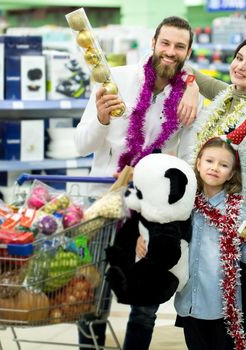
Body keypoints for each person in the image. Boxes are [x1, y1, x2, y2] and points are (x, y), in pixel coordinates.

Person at [74, 16, 201, 350]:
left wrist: (194, 86)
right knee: (92, 296)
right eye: (166, 43)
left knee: (145, 306)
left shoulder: (188, 100)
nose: (170, 52)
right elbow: (81, 144)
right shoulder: (116, 79)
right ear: (153, 43)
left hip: (151, 213)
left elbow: (187, 164)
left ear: (188, 52)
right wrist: (101, 118)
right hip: (102, 203)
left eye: (179, 46)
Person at [177, 35, 246, 345]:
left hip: (238, 226)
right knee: (200, 315)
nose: (241, 67)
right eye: (239, 58)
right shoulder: (225, 96)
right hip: (204, 217)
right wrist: (189, 82)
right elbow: (190, 71)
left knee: (236, 325)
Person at [173, 134, 246, 350]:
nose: (215, 168)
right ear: (199, 162)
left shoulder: (240, 209)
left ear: (231, 173)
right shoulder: (185, 202)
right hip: (190, 303)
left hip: (223, 306)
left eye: (223, 165)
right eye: (209, 161)